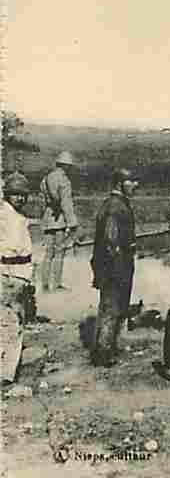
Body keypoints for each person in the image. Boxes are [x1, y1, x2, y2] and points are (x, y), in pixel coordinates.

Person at [89, 168, 138, 367]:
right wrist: (118, 269)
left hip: (116, 265)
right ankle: (102, 355)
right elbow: (111, 240)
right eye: (131, 181)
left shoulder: (117, 204)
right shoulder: (115, 207)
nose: (136, 185)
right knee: (111, 308)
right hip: (114, 266)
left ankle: (107, 349)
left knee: (114, 308)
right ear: (120, 183)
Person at [1, 172, 36, 385]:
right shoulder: (4, 215)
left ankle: (7, 370)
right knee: (9, 325)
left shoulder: (19, 217)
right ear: (7, 194)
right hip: (8, 272)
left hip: (20, 275)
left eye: (23, 195)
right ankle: (5, 374)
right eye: (15, 194)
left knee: (14, 323)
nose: (20, 198)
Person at [39, 150, 79, 292]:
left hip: (48, 217)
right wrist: (72, 222)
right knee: (59, 252)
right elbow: (66, 204)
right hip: (59, 219)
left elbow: (42, 201)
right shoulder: (64, 180)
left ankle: (44, 284)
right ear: (66, 166)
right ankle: (56, 284)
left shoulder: (46, 179)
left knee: (48, 253)